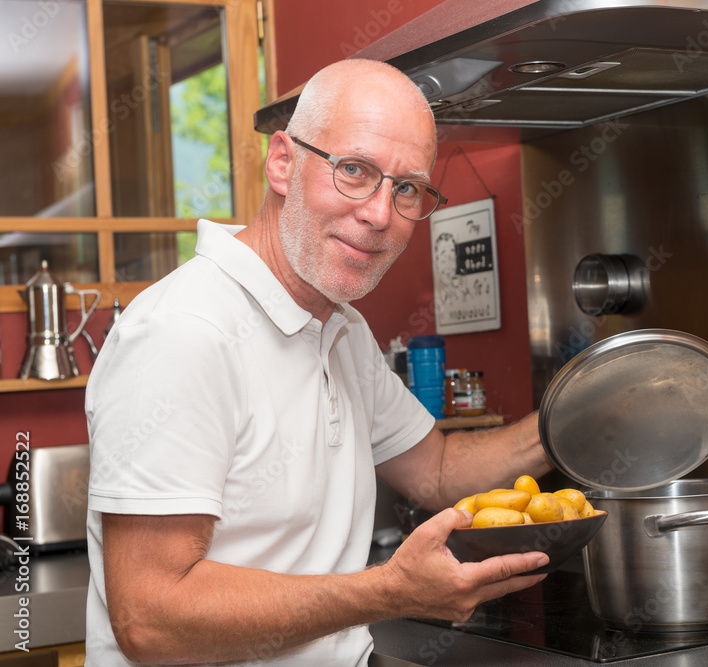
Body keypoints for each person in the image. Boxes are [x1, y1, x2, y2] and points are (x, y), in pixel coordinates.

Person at [85, 58, 553, 666]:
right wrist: (389, 590)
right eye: (354, 171)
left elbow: (436, 471)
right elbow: (150, 619)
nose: (380, 214)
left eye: (406, 187)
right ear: (282, 162)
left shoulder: (341, 327)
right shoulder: (184, 332)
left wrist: (571, 421)